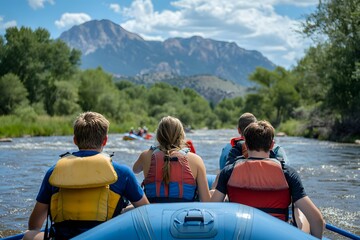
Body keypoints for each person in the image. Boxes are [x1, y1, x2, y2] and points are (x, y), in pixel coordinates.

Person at [23, 112, 149, 240]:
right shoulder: (122, 173)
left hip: (64, 238)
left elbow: (34, 224)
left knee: (29, 235)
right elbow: (146, 212)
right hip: (106, 237)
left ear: (75, 140)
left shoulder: (54, 172)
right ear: (105, 140)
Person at [211, 120, 325, 239]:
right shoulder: (288, 173)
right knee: (301, 210)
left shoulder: (228, 172)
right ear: (271, 145)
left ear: (245, 145)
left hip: (241, 235)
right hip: (277, 236)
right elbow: (317, 219)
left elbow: (212, 210)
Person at [133, 116, 210, 203]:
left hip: (153, 211)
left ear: (158, 135)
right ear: (181, 136)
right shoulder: (196, 160)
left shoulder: (146, 155)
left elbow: (135, 170)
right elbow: (206, 200)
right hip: (184, 213)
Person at [219, 112, 287, 170]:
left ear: (239, 130)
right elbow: (285, 169)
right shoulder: (277, 149)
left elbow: (222, 170)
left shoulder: (227, 149)